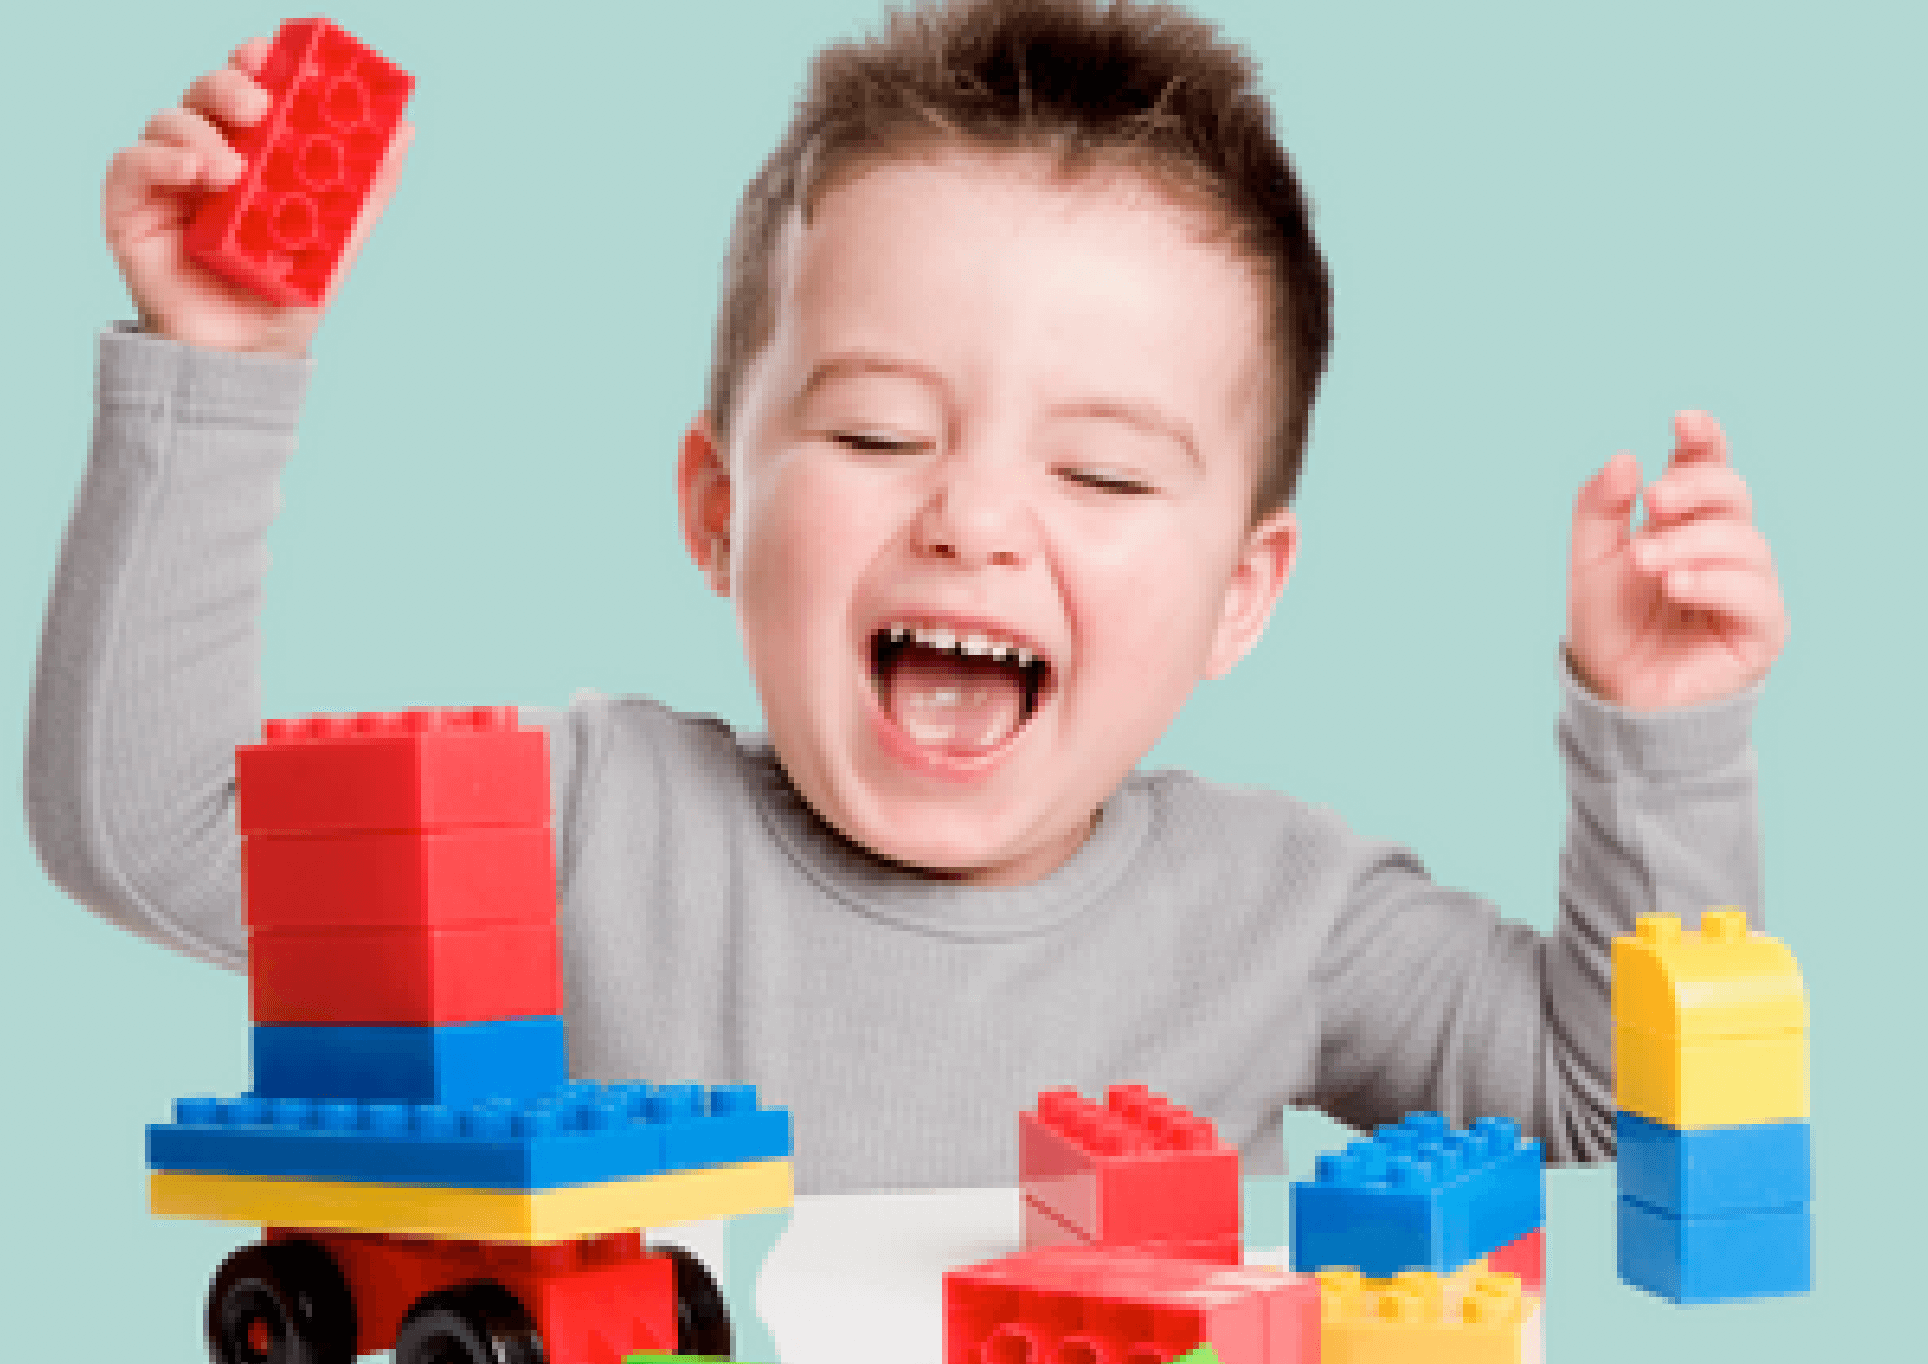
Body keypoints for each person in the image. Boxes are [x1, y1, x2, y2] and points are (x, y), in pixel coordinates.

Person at [28, 0, 1785, 1201]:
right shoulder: (583, 825)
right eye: (878, 430)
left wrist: (1663, 737)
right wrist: (219, 362)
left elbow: (1619, 1099)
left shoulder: (1290, 915)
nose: (974, 519)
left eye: (1099, 474)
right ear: (719, 507)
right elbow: (146, 820)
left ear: (1242, 594)